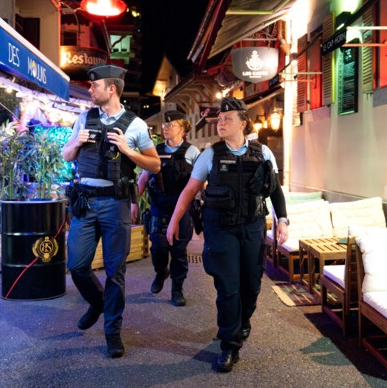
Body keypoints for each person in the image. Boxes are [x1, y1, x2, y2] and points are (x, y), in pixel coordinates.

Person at [166, 97, 289, 373]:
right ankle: (229, 346)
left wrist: (282, 220)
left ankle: (243, 321)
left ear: (243, 123)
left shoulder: (263, 153)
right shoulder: (210, 154)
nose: (221, 123)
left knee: (252, 286)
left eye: (227, 119)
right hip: (220, 229)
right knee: (228, 287)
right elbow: (189, 191)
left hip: (253, 227)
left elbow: (275, 191)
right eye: (219, 119)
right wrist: (174, 221)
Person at [61, 63, 161, 358]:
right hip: (86, 202)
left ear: (111, 89)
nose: (90, 90)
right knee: (77, 265)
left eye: (95, 86)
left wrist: (129, 152)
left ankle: (112, 332)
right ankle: (98, 302)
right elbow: (67, 155)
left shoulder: (136, 125)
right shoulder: (84, 118)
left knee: (115, 272)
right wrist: (76, 144)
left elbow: (155, 165)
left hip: (116, 203)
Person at [133, 110, 200, 306]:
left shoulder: (192, 152)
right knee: (158, 247)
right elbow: (143, 179)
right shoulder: (155, 150)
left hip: (182, 210)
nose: (166, 127)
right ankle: (161, 271)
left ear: (182, 128)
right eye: (165, 125)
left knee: (179, 251)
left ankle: (177, 289)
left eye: (170, 125)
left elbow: (200, 181)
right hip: (159, 208)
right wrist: (133, 202)